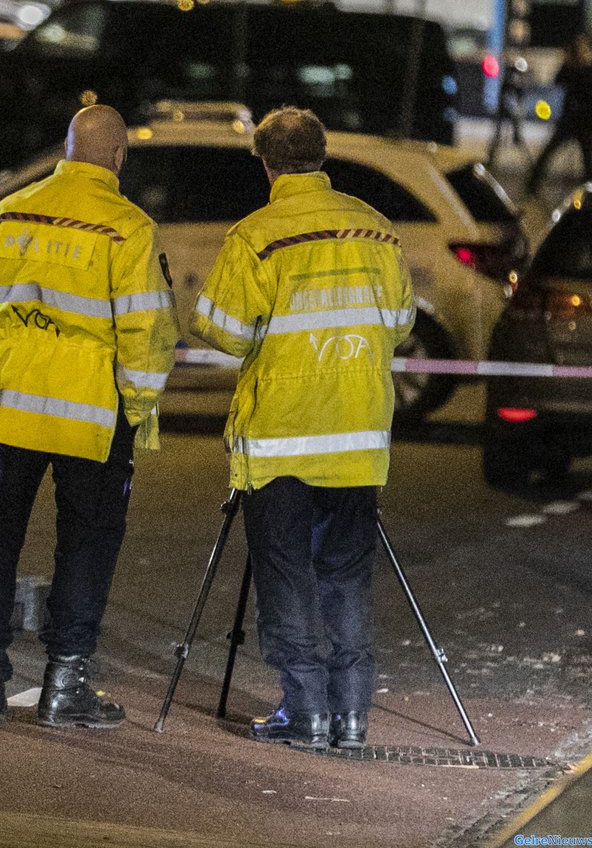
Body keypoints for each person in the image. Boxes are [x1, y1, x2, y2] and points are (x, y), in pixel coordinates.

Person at [192, 106, 414, 751]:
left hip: (281, 438)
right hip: (357, 435)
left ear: (266, 165)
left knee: (285, 572)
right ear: (323, 156)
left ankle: (306, 710)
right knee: (346, 573)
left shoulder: (257, 236)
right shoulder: (376, 230)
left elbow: (225, 331)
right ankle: (351, 715)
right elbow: (400, 323)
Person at [0, 103, 177, 727]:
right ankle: (64, 686)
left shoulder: (9, 212)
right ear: (118, 156)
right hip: (91, 412)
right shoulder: (128, 228)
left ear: (67, 150)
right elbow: (147, 332)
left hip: (11, 405)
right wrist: (136, 407)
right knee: (85, 546)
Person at [526, 33, 592, 197]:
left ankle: (590, 191)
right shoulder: (570, 68)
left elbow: (589, 89)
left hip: (583, 120)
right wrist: (568, 63)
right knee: (549, 152)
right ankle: (532, 184)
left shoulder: (590, 69)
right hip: (571, 119)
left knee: (587, 160)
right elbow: (558, 80)